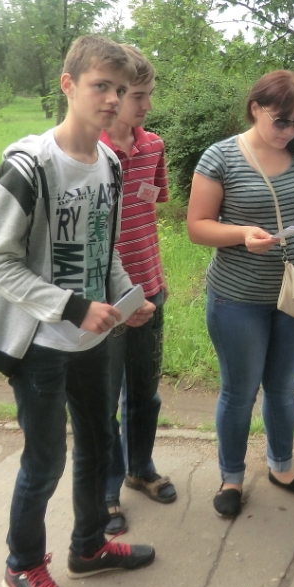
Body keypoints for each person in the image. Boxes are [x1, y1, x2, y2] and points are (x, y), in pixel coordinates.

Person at [0, 35, 159, 587]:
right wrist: (74, 306)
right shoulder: (28, 167)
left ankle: (89, 548)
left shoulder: (110, 164)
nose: (112, 100)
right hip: (39, 342)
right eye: (100, 86)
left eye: (120, 89)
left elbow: (105, 249)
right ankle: (23, 567)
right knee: (45, 458)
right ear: (68, 85)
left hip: (93, 340)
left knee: (100, 444)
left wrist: (126, 296)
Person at [187, 70, 294, 518]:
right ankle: (232, 477)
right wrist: (242, 234)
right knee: (239, 391)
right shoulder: (220, 157)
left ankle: (282, 467)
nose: (289, 131)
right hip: (237, 298)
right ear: (256, 108)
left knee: (282, 388)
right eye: (281, 120)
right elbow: (197, 227)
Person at [99, 45, 175, 536]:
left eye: (149, 95)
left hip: (151, 288)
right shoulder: (92, 151)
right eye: (138, 96)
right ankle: (105, 489)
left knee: (144, 393)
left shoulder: (154, 147)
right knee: (104, 398)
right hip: (106, 298)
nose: (146, 105)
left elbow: (153, 205)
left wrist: (153, 285)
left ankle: (140, 467)